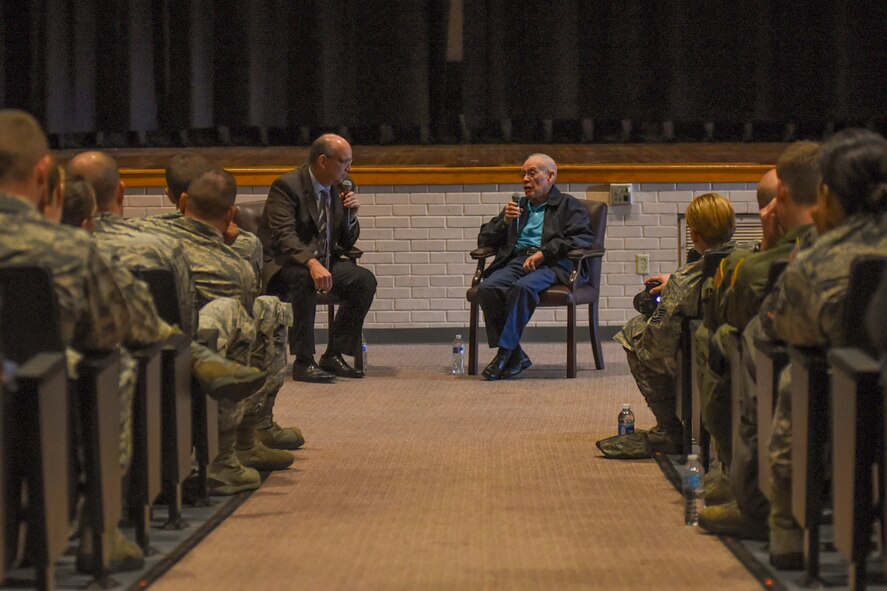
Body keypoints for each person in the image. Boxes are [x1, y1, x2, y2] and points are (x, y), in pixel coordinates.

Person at [0, 109, 146, 573]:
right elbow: (108, 331)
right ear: (45, 172)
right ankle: (97, 528)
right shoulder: (68, 247)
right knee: (112, 363)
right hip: (31, 405)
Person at [758, 128, 887, 568]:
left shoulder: (817, 261)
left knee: (798, 372)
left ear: (828, 195)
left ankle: (789, 532)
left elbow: (774, 326)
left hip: (857, 411)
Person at [696, 142, 820, 540]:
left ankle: (742, 483)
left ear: (781, 196)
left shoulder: (785, 262)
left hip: (797, 383)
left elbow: (731, 315)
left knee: (719, 338)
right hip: (861, 381)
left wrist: (767, 247)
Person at [597, 192, 737, 459]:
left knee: (633, 333)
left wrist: (666, 298)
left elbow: (657, 343)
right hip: (735, 347)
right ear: (732, 226)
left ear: (694, 235)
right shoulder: (747, 258)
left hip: (702, 353)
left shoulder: (683, 283)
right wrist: (675, 279)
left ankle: (671, 429)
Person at [259, 133, 377, 383]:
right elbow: (284, 236)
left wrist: (351, 217)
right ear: (323, 160)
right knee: (304, 278)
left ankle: (334, 355)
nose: (350, 168)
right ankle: (303, 361)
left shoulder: (343, 186)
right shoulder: (287, 186)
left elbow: (345, 242)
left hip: (324, 260)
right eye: (345, 161)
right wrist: (311, 263)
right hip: (286, 264)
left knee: (364, 280)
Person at [474, 153, 594, 380]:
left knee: (523, 288)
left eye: (532, 173)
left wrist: (544, 252)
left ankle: (504, 355)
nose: (525, 180)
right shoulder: (519, 206)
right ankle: (516, 355)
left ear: (550, 176)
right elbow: (485, 239)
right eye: (522, 174)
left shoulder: (569, 205)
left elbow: (582, 239)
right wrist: (504, 222)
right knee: (487, 288)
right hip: (518, 261)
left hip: (553, 264)